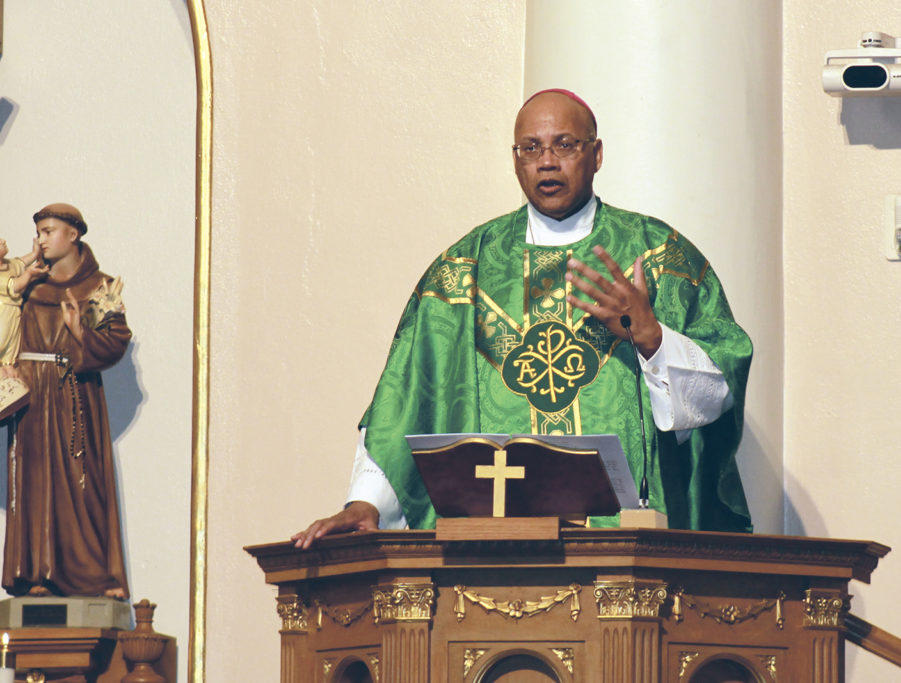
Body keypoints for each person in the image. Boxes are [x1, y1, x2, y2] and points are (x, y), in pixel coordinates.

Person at [293, 89, 752, 548]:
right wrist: (365, 503)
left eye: (565, 145)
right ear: (515, 161)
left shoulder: (657, 256)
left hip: (627, 554)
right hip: (490, 552)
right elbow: (405, 396)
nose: (546, 161)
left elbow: (720, 393)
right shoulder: (464, 271)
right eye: (530, 148)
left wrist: (651, 337)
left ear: (596, 155)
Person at [2, 203, 132, 599]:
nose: (40, 239)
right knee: (35, 484)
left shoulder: (99, 287)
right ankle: (37, 573)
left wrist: (80, 334)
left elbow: (114, 343)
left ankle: (94, 575)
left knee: (82, 485)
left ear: (73, 234)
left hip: (75, 396)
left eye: (49, 230)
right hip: (31, 399)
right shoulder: (27, 287)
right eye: (38, 232)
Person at [0, 237, 48, 420]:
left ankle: (7, 366)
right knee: (2, 339)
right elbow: (15, 286)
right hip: (2, 312)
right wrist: (29, 275)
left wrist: (35, 252)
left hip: (13, 313)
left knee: (13, 341)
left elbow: (21, 262)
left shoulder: (9, 264)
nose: (3, 241)